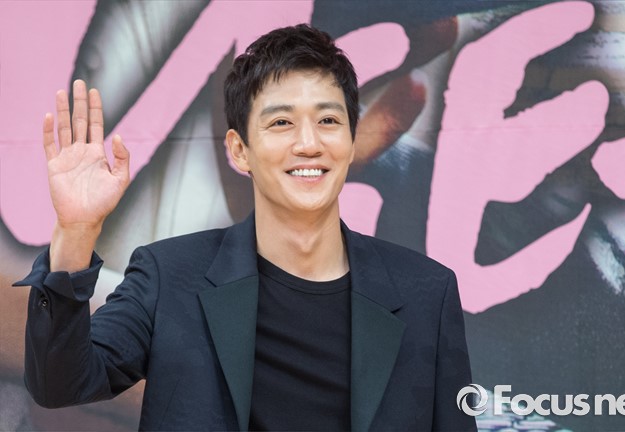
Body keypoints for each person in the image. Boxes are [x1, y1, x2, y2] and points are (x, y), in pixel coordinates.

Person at [15, 24, 476, 431]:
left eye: (328, 120)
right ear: (239, 151)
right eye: (281, 122)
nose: (309, 143)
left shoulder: (426, 293)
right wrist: (76, 230)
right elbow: (60, 384)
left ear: (352, 140)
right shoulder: (169, 275)